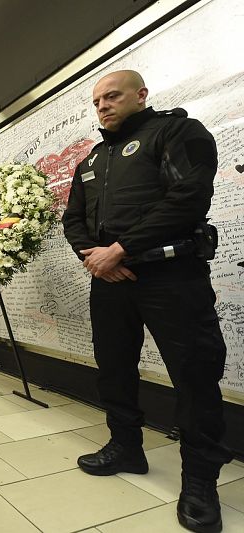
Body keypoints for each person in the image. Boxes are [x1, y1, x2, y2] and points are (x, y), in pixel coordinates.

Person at [62, 69, 231, 533]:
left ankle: (199, 482)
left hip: (172, 276)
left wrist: (122, 247)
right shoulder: (93, 159)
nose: (103, 106)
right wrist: (100, 259)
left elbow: (188, 198)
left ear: (141, 95)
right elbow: (72, 220)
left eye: (112, 96)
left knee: (194, 375)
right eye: (97, 101)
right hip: (111, 279)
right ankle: (127, 448)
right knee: (113, 367)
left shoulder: (178, 131)